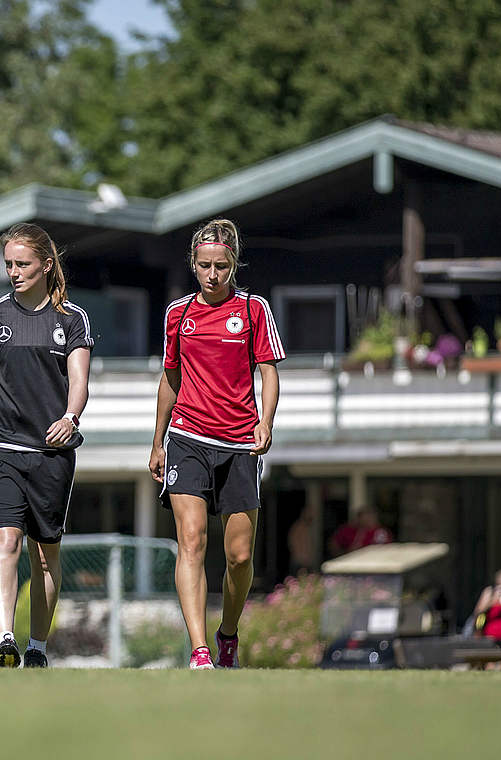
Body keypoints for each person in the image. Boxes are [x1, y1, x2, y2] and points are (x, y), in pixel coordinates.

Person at [0, 223, 92, 669]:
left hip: (51, 455)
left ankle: (37, 648)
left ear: (46, 265)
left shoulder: (72, 319)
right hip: (1, 448)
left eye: (22, 264)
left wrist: (70, 418)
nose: (13, 271)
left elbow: (80, 381)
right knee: (4, 541)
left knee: (45, 557)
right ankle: (5, 639)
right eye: (8, 264)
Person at [148, 219, 284, 670]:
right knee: (191, 540)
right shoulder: (178, 314)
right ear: (193, 264)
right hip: (187, 436)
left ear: (233, 265)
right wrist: (157, 442)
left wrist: (266, 422)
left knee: (239, 556)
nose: (212, 274)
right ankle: (199, 649)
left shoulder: (253, 309)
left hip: (240, 443)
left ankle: (227, 633)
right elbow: (170, 378)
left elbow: (269, 372)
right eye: (204, 265)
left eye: (221, 266)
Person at [328, 506, 393, 557]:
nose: (368, 519)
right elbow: (333, 546)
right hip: (350, 562)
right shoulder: (348, 529)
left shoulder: (381, 532)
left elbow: (385, 551)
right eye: (365, 516)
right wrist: (345, 554)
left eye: (371, 516)